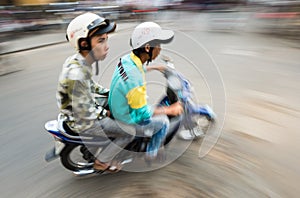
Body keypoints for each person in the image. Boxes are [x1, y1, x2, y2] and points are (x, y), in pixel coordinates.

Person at [56, 12, 134, 172]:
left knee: (115, 104)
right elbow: (85, 112)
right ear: (84, 44)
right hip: (83, 122)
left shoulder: (79, 61)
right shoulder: (76, 74)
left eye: (106, 39)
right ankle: (102, 161)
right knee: (129, 132)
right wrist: (105, 113)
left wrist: (110, 92)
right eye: (101, 40)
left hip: (81, 108)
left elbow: (91, 86)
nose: (107, 46)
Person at [108, 22, 183, 161]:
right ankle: (151, 152)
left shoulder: (127, 60)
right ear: (148, 47)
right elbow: (142, 113)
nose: (160, 50)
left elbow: (135, 70)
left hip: (117, 105)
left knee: (154, 106)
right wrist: (170, 110)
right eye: (158, 46)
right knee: (163, 122)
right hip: (126, 118)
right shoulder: (135, 80)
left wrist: (155, 67)